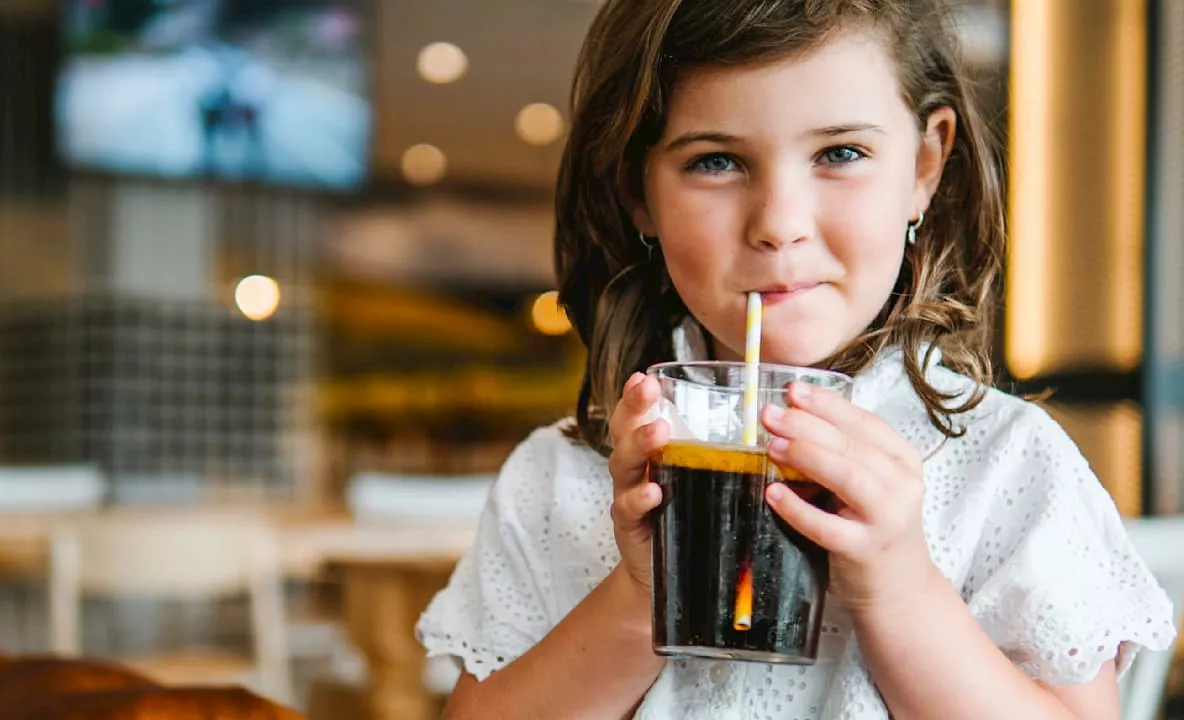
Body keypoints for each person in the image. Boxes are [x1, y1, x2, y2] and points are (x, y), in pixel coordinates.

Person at [416, 1, 1177, 718]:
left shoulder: (1006, 466)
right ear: (636, 191)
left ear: (924, 165)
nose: (779, 223)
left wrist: (901, 591)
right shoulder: (558, 480)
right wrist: (640, 593)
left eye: (840, 152)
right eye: (715, 162)